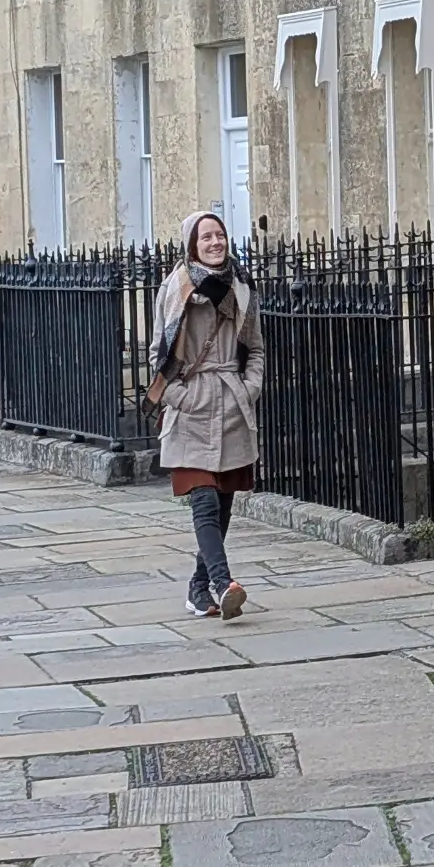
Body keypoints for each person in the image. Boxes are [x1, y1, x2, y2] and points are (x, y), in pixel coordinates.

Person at [152, 212, 265, 620]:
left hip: (232, 406)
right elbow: (159, 356)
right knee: (202, 502)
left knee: (222, 507)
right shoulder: (176, 288)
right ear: (192, 245)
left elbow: (255, 348)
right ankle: (223, 582)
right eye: (207, 237)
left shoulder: (242, 286)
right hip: (192, 411)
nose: (215, 243)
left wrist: (249, 388)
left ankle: (199, 589)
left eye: (220, 235)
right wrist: (182, 398)